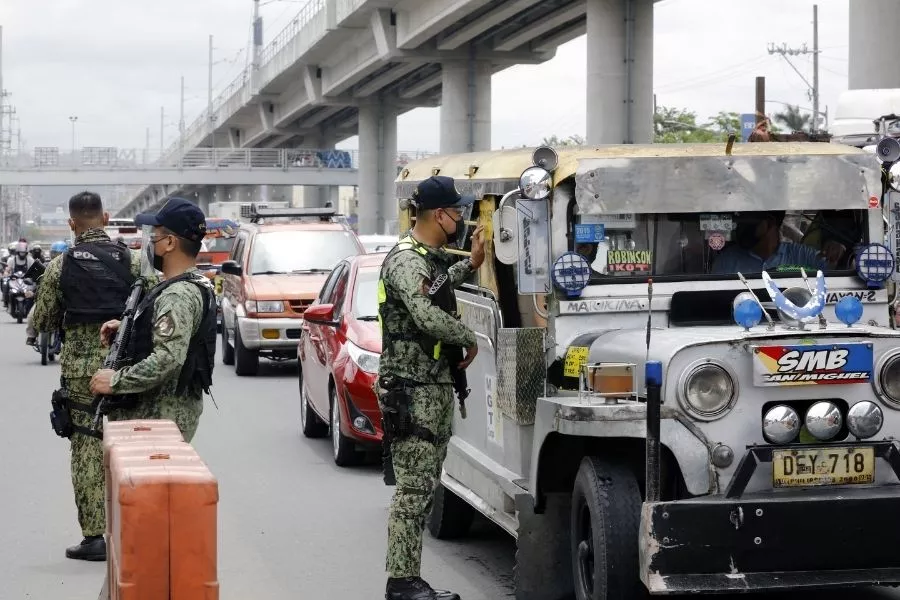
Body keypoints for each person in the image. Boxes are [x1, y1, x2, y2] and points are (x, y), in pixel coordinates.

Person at [377, 175, 485, 600]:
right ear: (439, 215)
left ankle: (407, 580)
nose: (460, 218)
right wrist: (468, 336)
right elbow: (425, 315)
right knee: (413, 490)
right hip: (413, 390)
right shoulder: (406, 259)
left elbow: (434, 290)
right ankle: (401, 583)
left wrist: (470, 265)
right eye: (457, 211)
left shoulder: (428, 257)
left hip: (429, 386)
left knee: (423, 487)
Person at [32, 191, 145, 561]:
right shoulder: (134, 261)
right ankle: (139, 528)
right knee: (132, 442)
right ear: (106, 217)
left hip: (82, 373)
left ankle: (95, 538)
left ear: (71, 224)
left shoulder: (60, 266)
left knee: (86, 447)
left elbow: (45, 320)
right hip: (127, 367)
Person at [89, 197, 216, 446]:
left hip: (159, 421)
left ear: (170, 242)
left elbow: (168, 358)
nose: (150, 243)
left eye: (155, 236)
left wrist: (114, 381)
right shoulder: (192, 283)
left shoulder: (177, 295)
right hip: (160, 418)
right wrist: (134, 327)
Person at [712, 211, 827, 275]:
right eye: (741, 222)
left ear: (770, 222)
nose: (742, 227)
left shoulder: (801, 255)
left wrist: (834, 252)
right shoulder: (726, 261)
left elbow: (831, 274)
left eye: (750, 221)